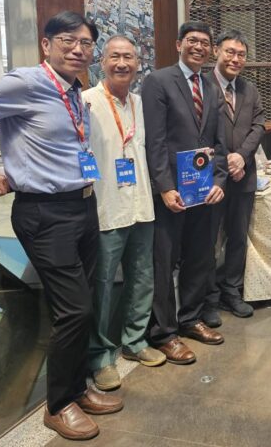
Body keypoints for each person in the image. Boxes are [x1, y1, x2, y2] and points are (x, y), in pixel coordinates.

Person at [0, 11, 122, 440]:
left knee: (85, 302)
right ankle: (58, 405)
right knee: (73, 309)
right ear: (47, 45)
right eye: (67, 41)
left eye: (86, 43)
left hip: (82, 206)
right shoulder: (25, 83)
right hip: (44, 213)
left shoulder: (73, 91)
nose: (77, 49)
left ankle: (78, 389)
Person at [142, 22, 227, 365]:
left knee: (199, 257)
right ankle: (163, 333)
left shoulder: (211, 87)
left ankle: (190, 318)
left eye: (205, 43)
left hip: (203, 192)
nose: (199, 47)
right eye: (192, 40)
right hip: (172, 194)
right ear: (179, 44)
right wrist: (165, 187)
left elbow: (219, 143)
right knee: (164, 262)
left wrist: (219, 181)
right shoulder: (158, 81)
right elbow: (155, 141)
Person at [84, 35, 166, 392]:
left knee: (142, 278)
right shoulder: (86, 102)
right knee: (102, 286)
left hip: (142, 205)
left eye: (128, 57)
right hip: (106, 208)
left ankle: (135, 341)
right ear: (102, 62)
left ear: (138, 63)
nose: (122, 63)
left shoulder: (141, 103)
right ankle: (101, 356)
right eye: (115, 57)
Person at [203, 30, 265, 325]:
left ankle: (232, 290)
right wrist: (225, 161)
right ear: (216, 51)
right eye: (230, 52)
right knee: (207, 241)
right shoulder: (202, 86)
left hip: (244, 176)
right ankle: (208, 298)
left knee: (238, 237)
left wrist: (241, 156)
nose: (235, 59)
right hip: (211, 179)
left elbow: (259, 125)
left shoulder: (249, 89)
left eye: (241, 54)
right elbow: (197, 131)